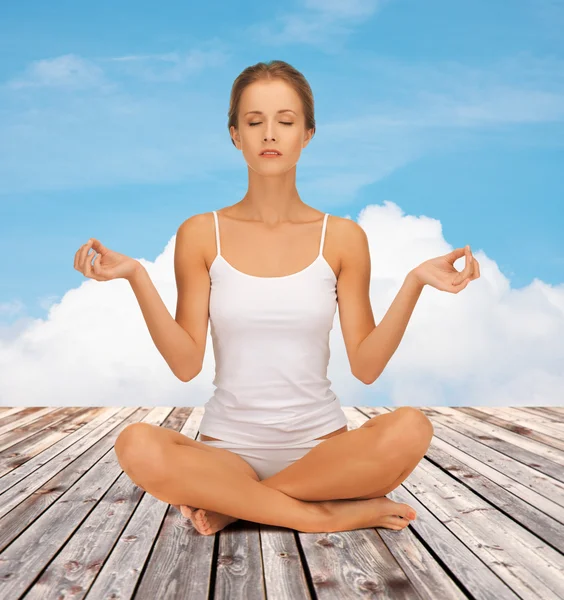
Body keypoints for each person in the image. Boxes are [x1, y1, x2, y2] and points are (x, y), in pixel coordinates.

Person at [74, 60, 478, 537]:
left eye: (285, 121)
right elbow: (185, 364)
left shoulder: (343, 237)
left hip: (323, 452)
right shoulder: (202, 233)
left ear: (307, 134)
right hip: (224, 453)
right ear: (234, 135)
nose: (270, 134)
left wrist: (414, 283)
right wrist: (137, 277)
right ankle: (317, 514)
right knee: (136, 443)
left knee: (411, 428)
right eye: (254, 122)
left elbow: (366, 366)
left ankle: (238, 508)